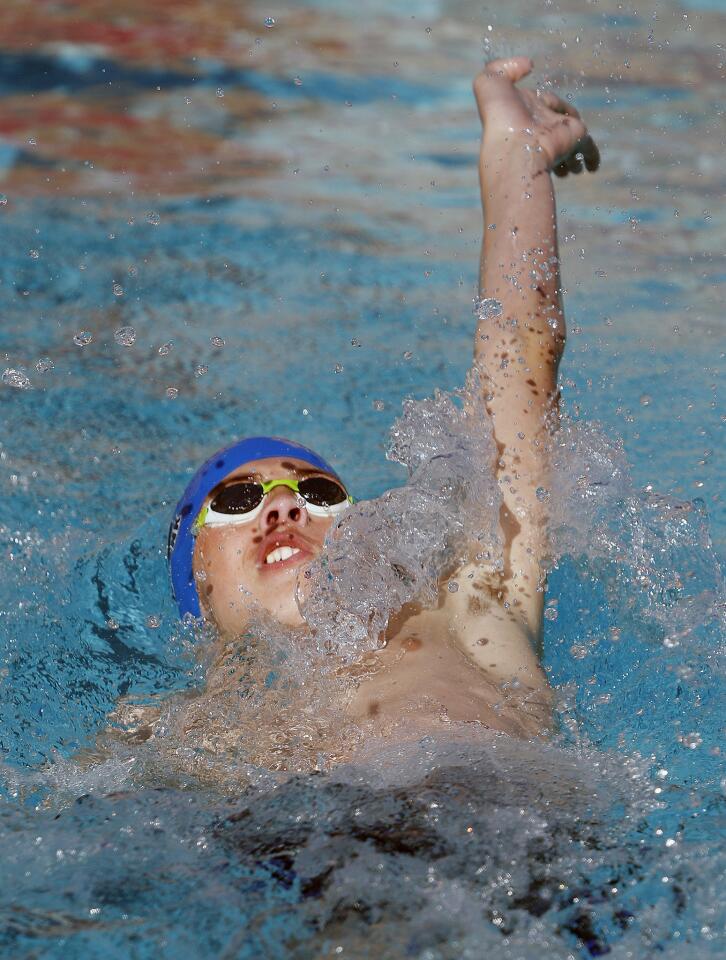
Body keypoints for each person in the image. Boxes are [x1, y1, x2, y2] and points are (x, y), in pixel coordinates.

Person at [164, 56, 600, 758]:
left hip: (524, 841)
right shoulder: (179, 736)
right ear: (200, 580)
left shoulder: (466, 610)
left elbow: (521, 356)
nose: (284, 508)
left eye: (317, 491)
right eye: (240, 498)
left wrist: (517, 157)